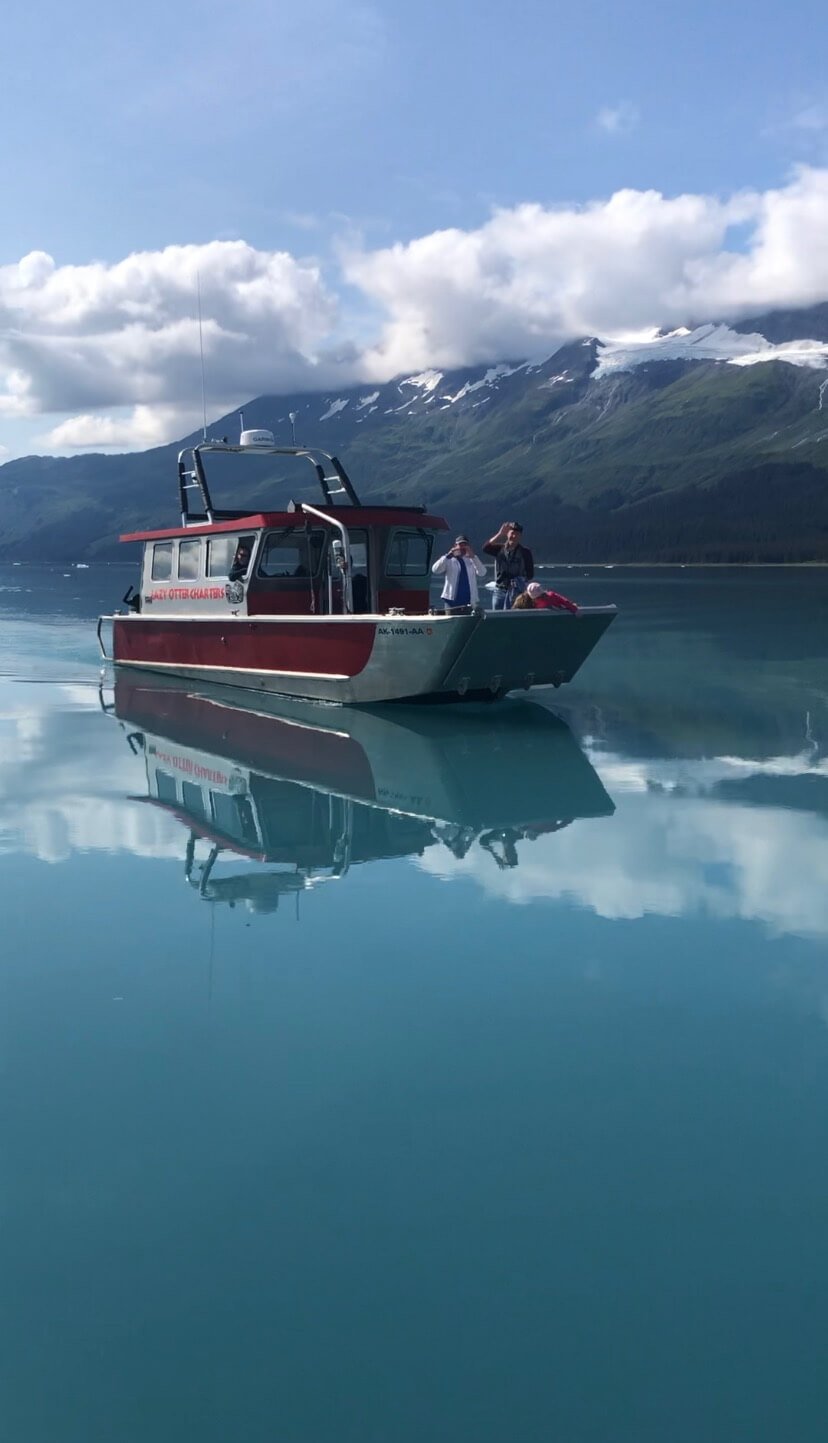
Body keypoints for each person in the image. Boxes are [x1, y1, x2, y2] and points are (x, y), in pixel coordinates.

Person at [483, 521, 534, 609]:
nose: (514, 536)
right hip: (499, 590)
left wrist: (519, 581)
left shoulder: (525, 552)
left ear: (520, 536)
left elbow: (530, 574)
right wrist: (500, 533)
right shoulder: (499, 549)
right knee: (497, 617)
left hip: (517, 592)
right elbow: (486, 548)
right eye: (512, 533)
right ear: (507, 534)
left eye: (517, 534)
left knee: (514, 617)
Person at [431, 534, 486, 613]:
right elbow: (435, 570)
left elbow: (482, 573)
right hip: (451, 601)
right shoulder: (448, 559)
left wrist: (473, 557)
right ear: (455, 546)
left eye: (465, 545)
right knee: (450, 621)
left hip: (469, 601)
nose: (462, 547)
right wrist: (447, 556)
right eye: (460, 545)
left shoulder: (472, 559)